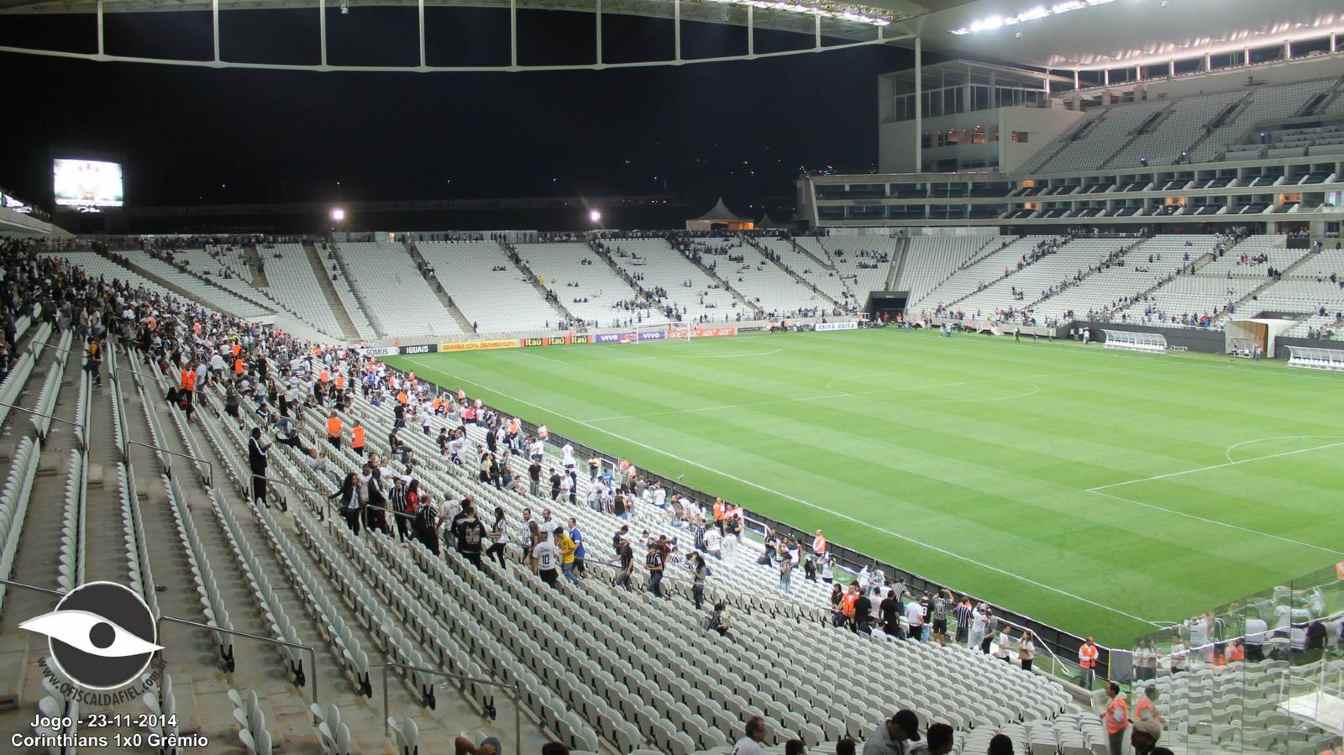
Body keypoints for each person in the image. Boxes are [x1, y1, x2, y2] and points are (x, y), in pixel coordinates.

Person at [1102, 682, 1129, 755]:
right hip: (1113, 730)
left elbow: (1119, 718)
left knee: (1115, 751)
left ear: (1113, 691)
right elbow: (1113, 712)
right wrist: (1106, 714)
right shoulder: (1113, 700)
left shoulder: (1118, 702)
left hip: (1116, 731)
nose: (1106, 690)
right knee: (1114, 750)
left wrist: (1110, 713)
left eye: (1107, 688)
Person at [248, 427, 271, 509]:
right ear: (255, 434)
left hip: (258, 467)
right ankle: (261, 502)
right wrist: (266, 447)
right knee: (260, 485)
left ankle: (260, 502)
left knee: (259, 485)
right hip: (258, 467)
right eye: (259, 434)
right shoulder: (252, 442)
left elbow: (259, 451)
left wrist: (264, 447)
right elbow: (260, 453)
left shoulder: (253, 441)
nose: (260, 435)